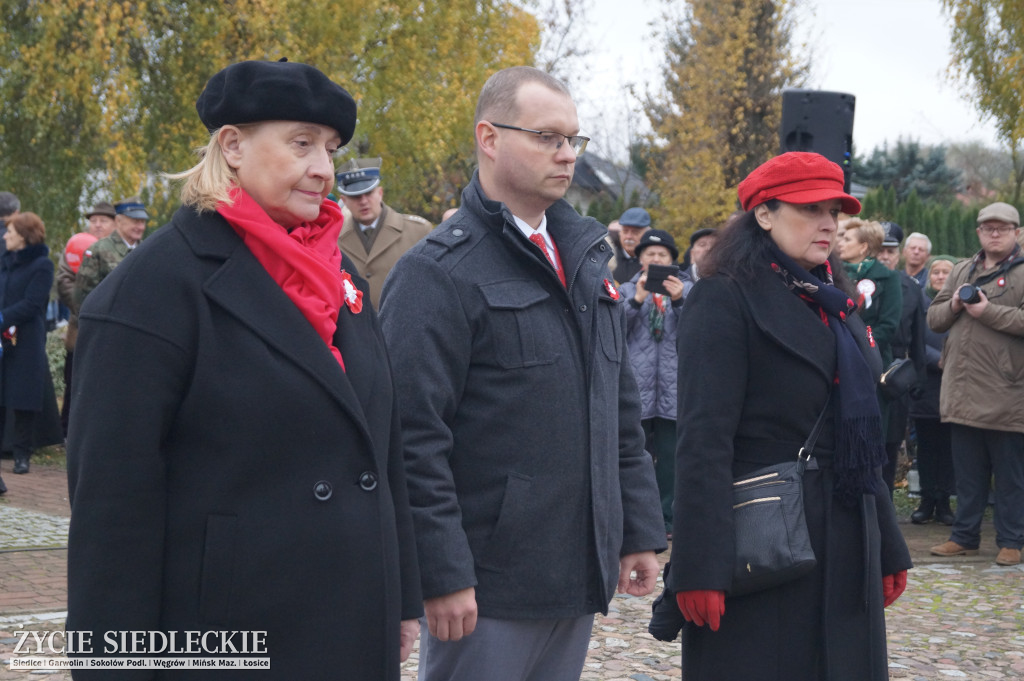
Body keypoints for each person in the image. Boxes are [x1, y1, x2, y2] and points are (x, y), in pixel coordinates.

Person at [66, 59, 422, 677]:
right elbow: (111, 519)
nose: (324, 169)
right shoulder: (153, 290)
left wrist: (400, 597)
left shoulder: (342, 277)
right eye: (302, 143)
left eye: (331, 149)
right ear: (232, 146)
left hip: (353, 620)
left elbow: (381, 448)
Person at [380, 66, 665, 681]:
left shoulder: (585, 260)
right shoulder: (438, 273)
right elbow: (411, 436)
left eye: (573, 140)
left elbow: (618, 410)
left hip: (573, 570)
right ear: (489, 137)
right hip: (488, 584)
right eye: (546, 137)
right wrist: (442, 570)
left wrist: (636, 526)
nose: (566, 155)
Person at [669, 152, 911, 680]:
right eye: (810, 209)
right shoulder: (723, 296)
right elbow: (704, 440)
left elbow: (861, 436)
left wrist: (888, 546)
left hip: (847, 536)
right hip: (765, 541)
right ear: (763, 214)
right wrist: (698, 566)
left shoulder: (834, 299)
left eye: (835, 211)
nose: (828, 223)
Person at [928, 201, 1024, 567]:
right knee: (967, 474)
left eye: (1002, 228)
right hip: (962, 388)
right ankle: (964, 536)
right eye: (988, 228)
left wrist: (989, 312)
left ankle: (1012, 540)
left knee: (1010, 475)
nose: (994, 234)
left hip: (1008, 390)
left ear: (1016, 232)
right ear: (979, 233)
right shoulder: (962, 269)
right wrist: (954, 304)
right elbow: (934, 319)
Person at [618, 229, 684, 539]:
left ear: (672, 261)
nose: (655, 260)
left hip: (673, 389)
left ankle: (668, 519)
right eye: (649, 256)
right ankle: (635, 519)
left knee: (671, 461)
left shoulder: (688, 291)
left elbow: (698, 332)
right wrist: (637, 300)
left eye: (662, 256)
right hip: (636, 389)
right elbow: (613, 329)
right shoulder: (625, 289)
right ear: (640, 260)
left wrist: (679, 300)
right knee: (635, 456)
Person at [336, 158, 433, 309]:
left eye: (368, 193)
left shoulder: (418, 231)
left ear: (380, 193)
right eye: (355, 196)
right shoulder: (334, 238)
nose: (363, 201)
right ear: (344, 200)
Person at [0, 212, 54, 483]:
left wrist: (2, 317)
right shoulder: (4, 262)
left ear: (23, 236)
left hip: (26, 339)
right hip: (2, 338)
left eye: (9, 232)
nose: (5, 236)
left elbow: (33, 303)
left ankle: (22, 455)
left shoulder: (42, 266)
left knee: (23, 399)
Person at [55, 201, 116, 436]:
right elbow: (64, 281)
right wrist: (89, 308)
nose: (97, 225)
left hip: (111, 330)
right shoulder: (76, 246)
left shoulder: (121, 249)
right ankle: (66, 431)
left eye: (103, 220)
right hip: (79, 329)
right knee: (74, 380)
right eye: (94, 220)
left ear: (114, 223)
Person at [876, 220, 927, 494]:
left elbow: (918, 338)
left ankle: (885, 514)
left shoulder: (910, 286)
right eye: (880, 250)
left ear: (899, 254)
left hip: (895, 374)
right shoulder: (855, 281)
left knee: (890, 445)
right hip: (864, 366)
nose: (885, 256)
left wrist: (916, 380)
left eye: (891, 251)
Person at [909, 255, 959, 525]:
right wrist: (935, 359)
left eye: (945, 272)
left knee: (950, 447)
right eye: (936, 272)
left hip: (957, 385)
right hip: (927, 384)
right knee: (927, 447)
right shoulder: (920, 303)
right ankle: (927, 499)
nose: (940, 276)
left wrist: (952, 359)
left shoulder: (960, 305)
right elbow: (911, 337)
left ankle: (945, 501)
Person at [71, 197, 149, 310]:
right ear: (118, 221)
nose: (140, 227)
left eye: (142, 222)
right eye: (135, 221)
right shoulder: (98, 250)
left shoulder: (146, 249)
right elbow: (82, 296)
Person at [612, 206, 651, 283]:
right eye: (625, 231)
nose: (628, 237)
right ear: (620, 233)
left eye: (635, 232)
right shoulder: (609, 258)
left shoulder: (655, 260)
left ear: (647, 234)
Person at [681, 227, 718, 297]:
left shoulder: (730, 283)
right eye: (702, 245)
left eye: (714, 245)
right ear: (692, 254)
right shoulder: (680, 284)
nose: (708, 249)